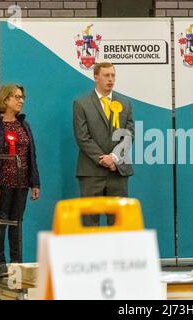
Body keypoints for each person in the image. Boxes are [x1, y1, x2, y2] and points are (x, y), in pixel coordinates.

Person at [0, 84, 40, 277]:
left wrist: (35, 182)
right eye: (17, 97)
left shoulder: (25, 125)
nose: (21, 100)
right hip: (2, 185)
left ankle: (16, 265)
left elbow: (31, 156)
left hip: (21, 184)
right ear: (5, 100)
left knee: (17, 225)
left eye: (22, 97)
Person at [73, 62, 134, 226]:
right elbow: (82, 137)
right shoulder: (81, 103)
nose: (111, 79)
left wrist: (114, 157)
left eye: (113, 75)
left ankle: (118, 253)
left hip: (118, 171)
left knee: (119, 222)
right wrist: (103, 159)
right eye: (106, 75)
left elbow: (128, 135)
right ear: (95, 77)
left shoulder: (125, 103)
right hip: (91, 172)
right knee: (90, 222)